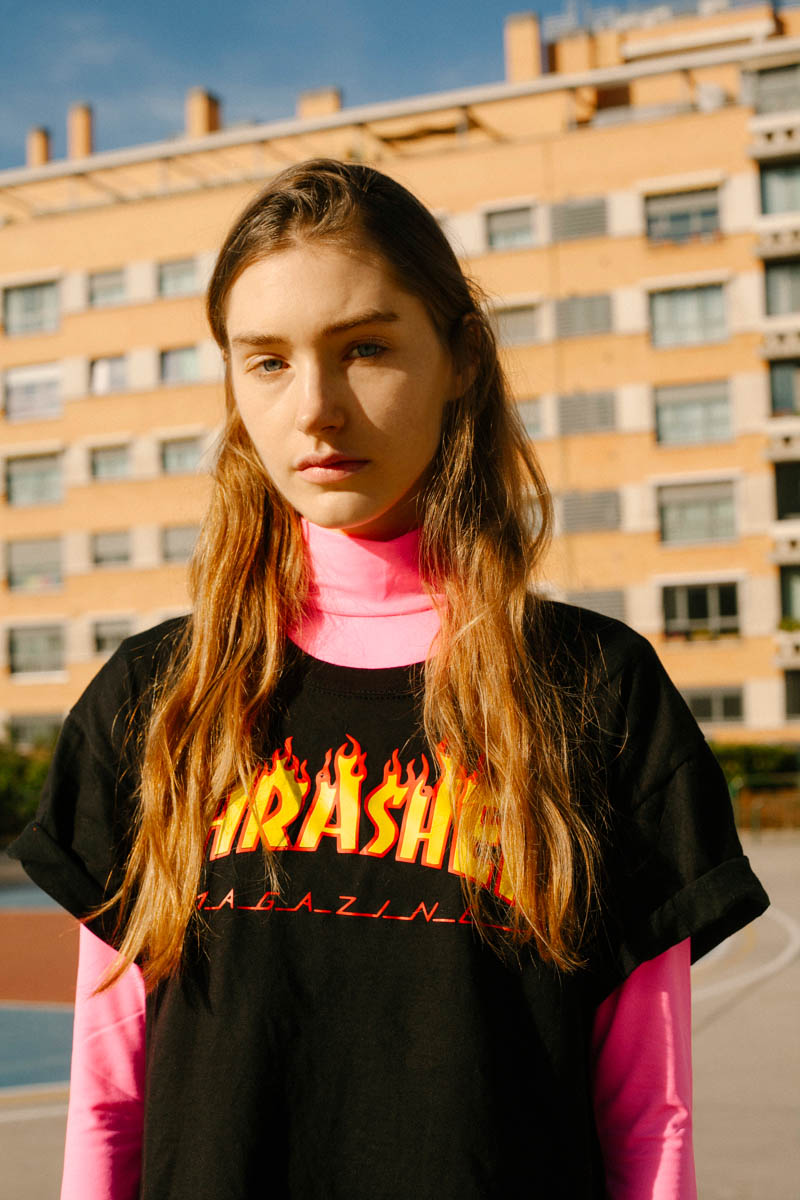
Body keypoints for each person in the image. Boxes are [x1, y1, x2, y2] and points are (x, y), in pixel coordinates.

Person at [10, 159, 768, 1200]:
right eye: (267, 361)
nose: (315, 408)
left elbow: (649, 1118)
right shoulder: (156, 698)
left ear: (461, 358)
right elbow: (107, 1101)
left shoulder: (596, 691)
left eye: (364, 348)